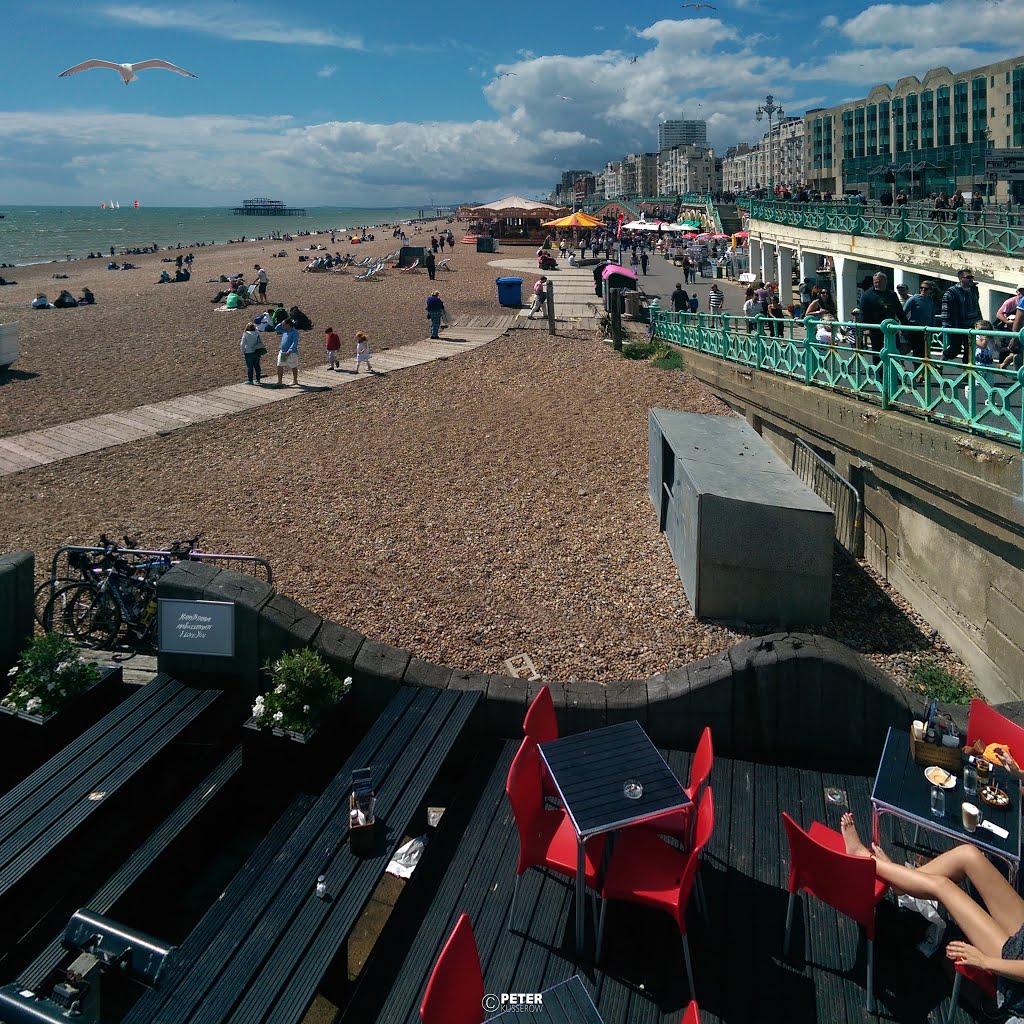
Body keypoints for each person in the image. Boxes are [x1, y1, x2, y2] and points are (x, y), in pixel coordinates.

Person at [839, 813, 1024, 1018]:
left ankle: (868, 860)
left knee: (943, 887)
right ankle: (901, 884)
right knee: (968, 855)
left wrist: (984, 961)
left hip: (1016, 969)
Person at [858, 271, 908, 362]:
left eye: (879, 282)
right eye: (875, 282)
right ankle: (879, 374)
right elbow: (863, 312)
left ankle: (893, 374)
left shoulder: (892, 294)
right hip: (875, 328)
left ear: (885, 282)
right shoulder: (867, 295)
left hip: (891, 328)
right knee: (878, 352)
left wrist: (905, 326)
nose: (877, 284)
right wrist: (865, 328)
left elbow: (899, 311)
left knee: (895, 351)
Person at [943, 269, 983, 362]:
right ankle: (941, 362)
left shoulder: (974, 289)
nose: (971, 280)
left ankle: (967, 372)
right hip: (957, 324)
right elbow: (945, 310)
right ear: (961, 279)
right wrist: (945, 327)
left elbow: (976, 306)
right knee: (954, 349)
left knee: (970, 350)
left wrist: (980, 321)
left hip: (972, 325)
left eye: (972, 277)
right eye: (968, 277)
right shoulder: (951, 292)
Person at [902, 281, 937, 358]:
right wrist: (903, 328)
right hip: (915, 329)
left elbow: (932, 315)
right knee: (917, 352)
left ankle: (923, 369)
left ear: (930, 290)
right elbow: (903, 313)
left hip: (927, 330)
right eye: (921, 288)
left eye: (926, 289)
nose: (923, 290)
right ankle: (915, 368)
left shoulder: (931, 300)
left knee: (925, 352)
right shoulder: (914, 299)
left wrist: (933, 328)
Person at [275, 318, 300, 387]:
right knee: (279, 365)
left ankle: (295, 380)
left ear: (288, 325)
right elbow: (276, 328)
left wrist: (290, 350)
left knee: (293, 366)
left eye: (284, 325)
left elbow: (295, 342)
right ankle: (279, 381)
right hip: (283, 352)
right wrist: (282, 322)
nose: (282, 326)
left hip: (292, 352)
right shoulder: (284, 330)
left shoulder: (294, 332)